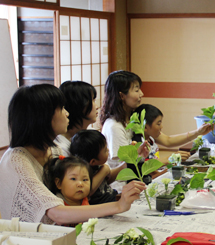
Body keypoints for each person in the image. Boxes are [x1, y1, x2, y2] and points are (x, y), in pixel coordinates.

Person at [0, 84, 145, 224]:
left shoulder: (53, 149)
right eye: (61, 108)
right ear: (43, 117)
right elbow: (56, 213)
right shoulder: (16, 161)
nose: (67, 113)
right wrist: (119, 205)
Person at [100, 71, 212, 167]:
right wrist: (167, 159)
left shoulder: (134, 118)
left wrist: (197, 132)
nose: (141, 94)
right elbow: (127, 165)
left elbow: (167, 140)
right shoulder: (114, 126)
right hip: (123, 187)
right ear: (121, 96)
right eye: (136, 90)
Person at [70, 130, 119, 204]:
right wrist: (104, 170)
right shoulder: (83, 172)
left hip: (112, 197)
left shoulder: (97, 165)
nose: (108, 150)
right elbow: (88, 190)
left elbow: (108, 178)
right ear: (93, 161)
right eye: (105, 150)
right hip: (103, 205)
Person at [55, 81, 99, 156]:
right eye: (92, 101)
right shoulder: (61, 149)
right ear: (79, 105)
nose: (97, 107)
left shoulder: (91, 133)